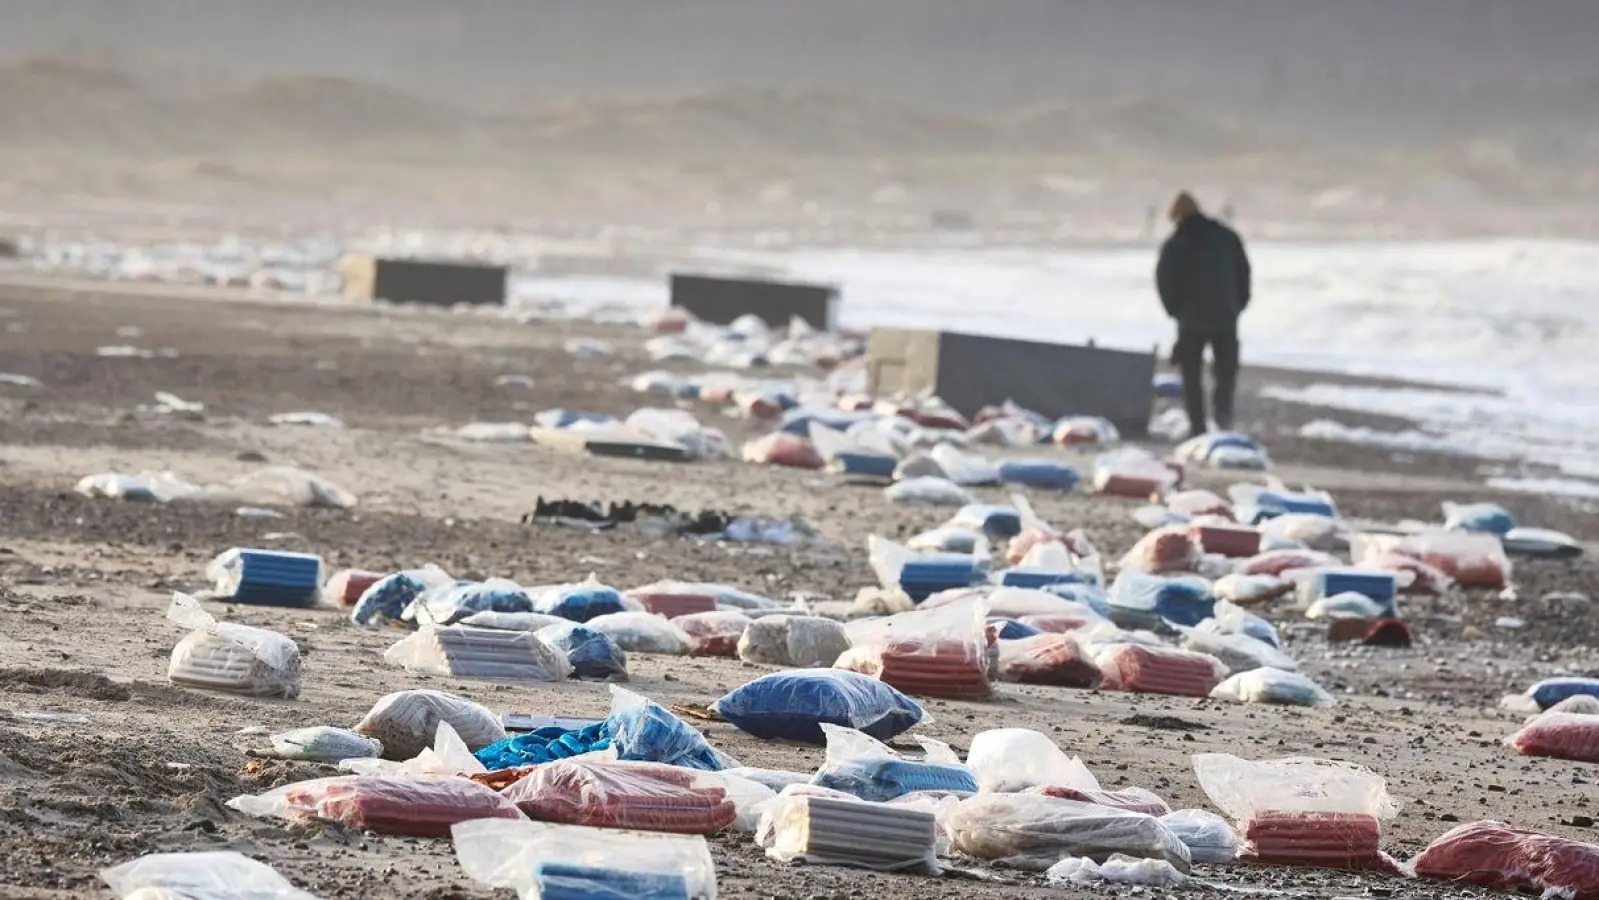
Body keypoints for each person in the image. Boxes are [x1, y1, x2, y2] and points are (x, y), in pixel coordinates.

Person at [1155, 191, 1251, 436]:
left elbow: (1164, 282)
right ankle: (1222, 419)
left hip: (1190, 321)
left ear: (1177, 217)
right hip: (1225, 317)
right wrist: (1237, 306)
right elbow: (1244, 274)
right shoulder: (1228, 237)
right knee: (1225, 375)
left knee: (1191, 378)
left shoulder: (1174, 244)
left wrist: (1175, 311)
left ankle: (1197, 428)